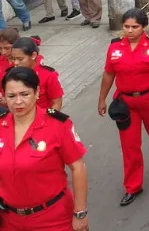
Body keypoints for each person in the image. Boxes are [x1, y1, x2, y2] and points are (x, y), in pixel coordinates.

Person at [97, 8, 149, 206]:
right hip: (126, 102)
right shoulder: (115, 47)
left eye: (135, 27)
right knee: (129, 145)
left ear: (144, 27)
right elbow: (108, 74)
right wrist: (102, 99)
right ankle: (133, 186)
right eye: (126, 26)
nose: (130, 31)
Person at [0, 67, 89, 231]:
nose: (18, 101)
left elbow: (78, 168)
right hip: (9, 220)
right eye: (11, 96)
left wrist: (80, 212)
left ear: (37, 92)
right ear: (4, 96)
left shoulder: (57, 125)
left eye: (24, 94)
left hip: (52, 217)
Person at [11, 36, 64, 110]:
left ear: (33, 55)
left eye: (20, 59)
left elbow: (57, 102)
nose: (16, 63)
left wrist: (48, 117)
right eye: (13, 59)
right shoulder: (11, 73)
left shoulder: (48, 75)